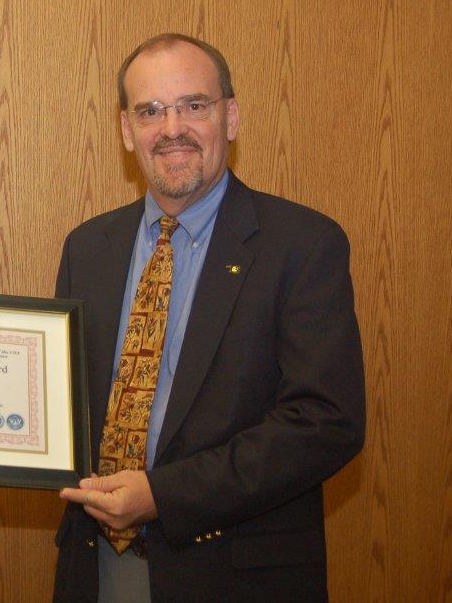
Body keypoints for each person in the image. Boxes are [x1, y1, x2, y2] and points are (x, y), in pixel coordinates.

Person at [53, 34, 365, 603]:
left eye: (194, 105)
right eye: (150, 111)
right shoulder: (88, 247)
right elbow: (58, 402)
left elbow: (325, 423)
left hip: (233, 574)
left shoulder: (302, 244)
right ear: (126, 130)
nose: (171, 128)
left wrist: (164, 495)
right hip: (95, 567)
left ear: (231, 117)